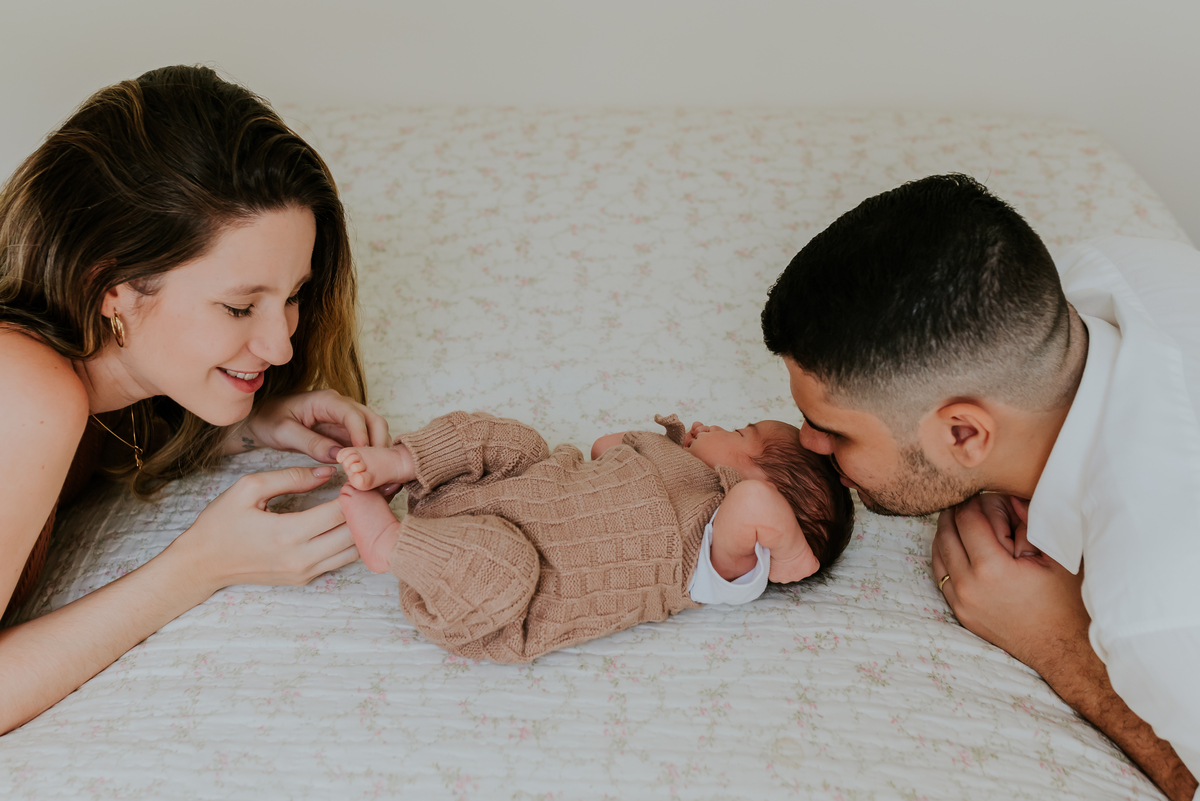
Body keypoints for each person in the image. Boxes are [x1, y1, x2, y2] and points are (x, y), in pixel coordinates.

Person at [760, 173, 1199, 801]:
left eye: (837, 432)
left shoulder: (1157, 606)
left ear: (965, 433)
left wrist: (1060, 646)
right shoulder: (1111, 266)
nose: (809, 444)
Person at [0, 65, 393, 735]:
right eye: (240, 307)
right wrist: (201, 565)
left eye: (292, 295)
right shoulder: (27, 385)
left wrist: (241, 424)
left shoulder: (77, 376)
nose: (281, 346)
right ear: (112, 289)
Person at [333, 411, 853, 662]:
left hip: (490, 597)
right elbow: (604, 447)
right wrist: (667, 448)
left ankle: (390, 546)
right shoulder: (680, 468)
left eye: (740, 435)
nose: (713, 424)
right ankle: (404, 461)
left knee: (506, 562)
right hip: (498, 493)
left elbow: (754, 506)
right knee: (521, 441)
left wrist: (790, 555)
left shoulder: (724, 559)